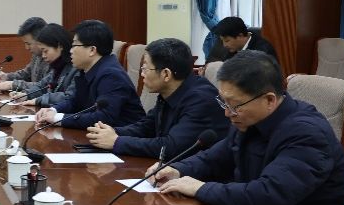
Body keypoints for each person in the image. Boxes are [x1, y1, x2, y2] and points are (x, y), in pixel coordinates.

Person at [150, 50, 344, 205]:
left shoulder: (307, 134)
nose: (227, 113)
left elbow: (267, 195)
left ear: (269, 100)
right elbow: (215, 158)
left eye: (234, 105)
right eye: (223, 102)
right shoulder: (249, 119)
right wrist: (178, 169)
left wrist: (201, 189)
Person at [86, 37, 230, 158]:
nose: (142, 74)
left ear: (166, 74)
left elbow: (171, 147)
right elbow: (147, 127)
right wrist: (110, 132)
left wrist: (117, 141)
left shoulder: (201, 99)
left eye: (145, 68)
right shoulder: (170, 91)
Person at [35, 19, 145, 129]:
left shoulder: (111, 75)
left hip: (126, 135)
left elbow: (103, 118)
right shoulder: (87, 69)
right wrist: (53, 110)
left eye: (74, 45)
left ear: (92, 50)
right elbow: (75, 101)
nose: (70, 51)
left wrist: (57, 118)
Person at [8, 23, 79, 110]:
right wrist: (25, 95)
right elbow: (41, 86)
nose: (43, 56)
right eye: (42, 52)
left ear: (60, 46)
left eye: (45, 51)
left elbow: (69, 97)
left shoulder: (76, 67)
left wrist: (39, 100)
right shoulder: (57, 67)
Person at [0, 17, 48, 96]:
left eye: (28, 44)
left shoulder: (54, 58)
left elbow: (45, 86)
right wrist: (7, 77)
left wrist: (13, 84)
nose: (26, 48)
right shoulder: (37, 54)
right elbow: (26, 74)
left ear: (41, 39)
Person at [207, 16, 279, 66]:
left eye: (227, 41)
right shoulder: (234, 49)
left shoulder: (262, 50)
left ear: (240, 35)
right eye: (222, 40)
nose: (224, 45)